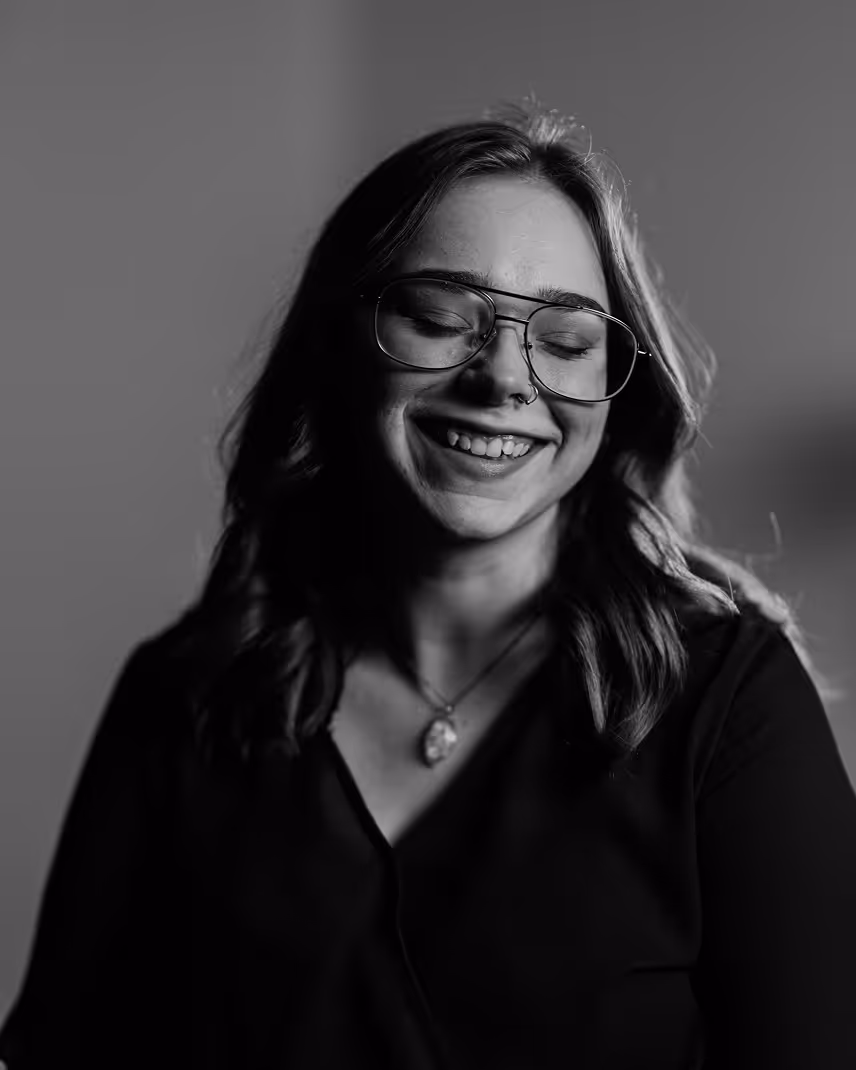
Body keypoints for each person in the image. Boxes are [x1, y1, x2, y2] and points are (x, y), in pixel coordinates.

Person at [2, 102, 855, 1070]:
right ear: (344, 339)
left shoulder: (726, 701)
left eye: (566, 340)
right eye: (441, 318)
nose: (502, 376)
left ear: (612, 384)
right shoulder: (185, 697)